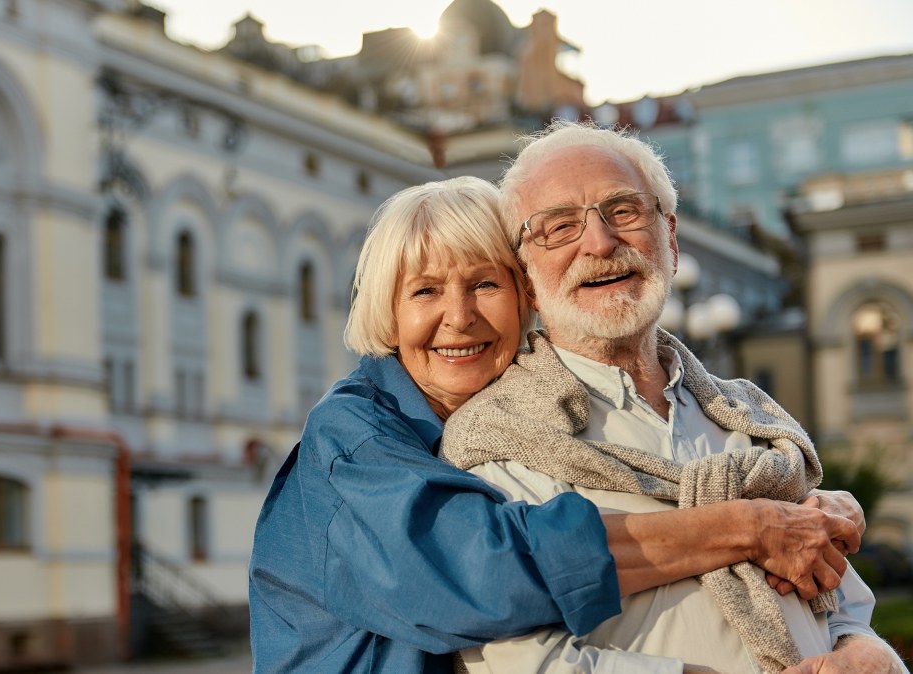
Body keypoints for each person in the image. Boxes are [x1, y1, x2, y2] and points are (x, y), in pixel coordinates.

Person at [247, 176, 865, 674]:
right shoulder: (353, 439)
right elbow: (487, 574)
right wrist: (745, 526)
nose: (458, 318)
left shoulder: (525, 424)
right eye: (425, 292)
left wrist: (796, 510)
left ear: (526, 297)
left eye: (485, 284)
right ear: (385, 311)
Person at [441, 120, 907, 674]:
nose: (599, 242)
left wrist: (866, 650)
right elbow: (520, 661)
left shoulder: (749, 415)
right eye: (559, 227)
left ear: (672, 240)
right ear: (526, 276)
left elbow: (840, 599)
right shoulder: (495, 439)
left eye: (624, 212)